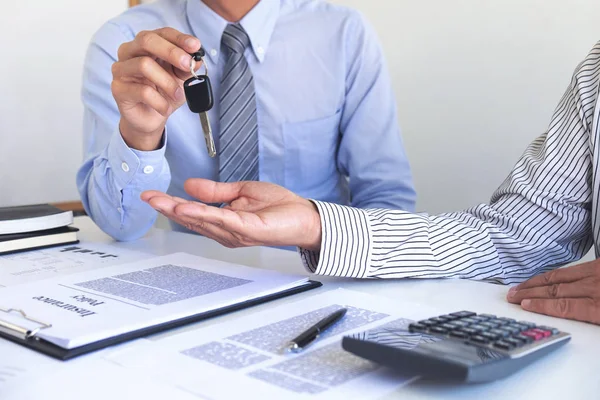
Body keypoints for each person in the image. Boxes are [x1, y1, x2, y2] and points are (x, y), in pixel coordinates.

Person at [142, 41, 600, 326]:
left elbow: (387, 193)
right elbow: (519, 237)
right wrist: (319, 226)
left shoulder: (343, 33)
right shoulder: (595, 73)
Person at [76, 0, 416, 242]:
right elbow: (120, 226)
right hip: (190, 277)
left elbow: (388, 201)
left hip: (318, 272)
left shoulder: (344, 34)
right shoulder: (125, 44)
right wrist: (140, 135)